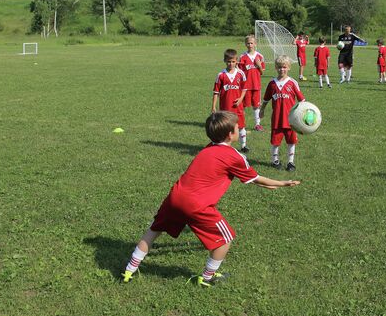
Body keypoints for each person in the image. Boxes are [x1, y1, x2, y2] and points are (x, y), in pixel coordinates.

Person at [121, 111, 300, 286]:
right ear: (231, 135)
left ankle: (129, 269)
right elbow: (257, 179)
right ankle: (207, 277)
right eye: (237, 127)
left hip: (174, 197)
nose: (239, 128)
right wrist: (282, 183)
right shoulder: (234, 156)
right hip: (196, 205)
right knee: (225, 239)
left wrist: (274, 185)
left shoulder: (209, 147)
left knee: (154, 230)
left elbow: (254, 181)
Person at [260, 55, 306, 171]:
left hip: (291, 120)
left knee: (291, 141)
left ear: (289, 67)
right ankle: (275, 161)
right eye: (279, 67)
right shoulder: (272, 84)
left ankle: (291, 162)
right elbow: (266, 99)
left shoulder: (292, 83)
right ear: (276, 67)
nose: (282, 69)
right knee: (275, 142)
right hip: (277, 119)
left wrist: (305, 113)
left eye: (284, 67)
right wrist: (262, 110)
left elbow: (302, 100)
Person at [212, 49, 249, 152]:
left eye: (233, 61)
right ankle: (225, 146)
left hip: (237, 106)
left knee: (241, 126)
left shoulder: (241, 74)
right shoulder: (221, 75)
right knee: (226, 127)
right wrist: (214, 106)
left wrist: (241, 99)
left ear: (236, 61)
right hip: (225, 107)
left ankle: (243, 146)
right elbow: (216, 92)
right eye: (228, 61)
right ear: (225, 60)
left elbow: (245, 89)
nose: (231, 64)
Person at [239, 35, 266, 132]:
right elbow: (240, 73)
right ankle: (241, 123)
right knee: (243, 106)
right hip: (245, 87)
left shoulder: (260, 56)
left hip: (256, 85)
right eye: (248, 43)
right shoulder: (242, 57)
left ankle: (257, 124)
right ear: (245, 44)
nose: (250, 45)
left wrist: (258, 66)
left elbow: (262, 72)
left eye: (252, 43)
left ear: (255, 44)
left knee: (256, 105)